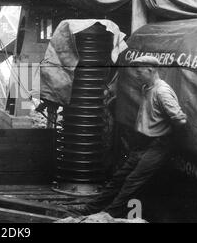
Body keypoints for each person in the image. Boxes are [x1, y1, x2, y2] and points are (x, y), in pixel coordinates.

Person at [71, 56, 187, 218]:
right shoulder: (147, 87)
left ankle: (108, 215)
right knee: (118, 178)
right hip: (143, 143)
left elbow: (180, 120)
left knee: (132, 181)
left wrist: (163, 134)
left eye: (139, 72)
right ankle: (90, 209)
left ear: (150, 70)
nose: (137, 75)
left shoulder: (162, 92)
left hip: (157, 145)